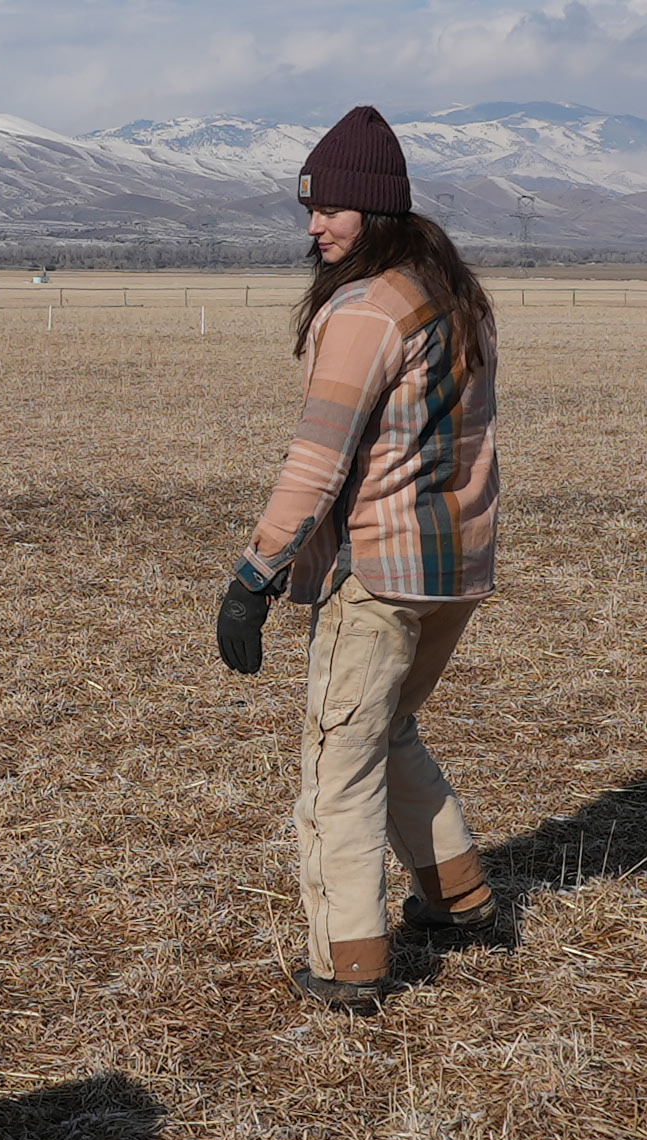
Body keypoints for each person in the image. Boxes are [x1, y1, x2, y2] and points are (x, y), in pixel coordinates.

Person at [216, 104, 501, 1014]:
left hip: (377, 574)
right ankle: (457, 896)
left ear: (374, 210)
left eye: (331, 210)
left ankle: (350, 961)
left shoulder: (368, 309)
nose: (314, 226)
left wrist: (254, 575)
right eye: (308, 209)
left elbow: (317, 459)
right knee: (388, 731)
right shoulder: (445, 291)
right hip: (453, 568)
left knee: (337, 763)